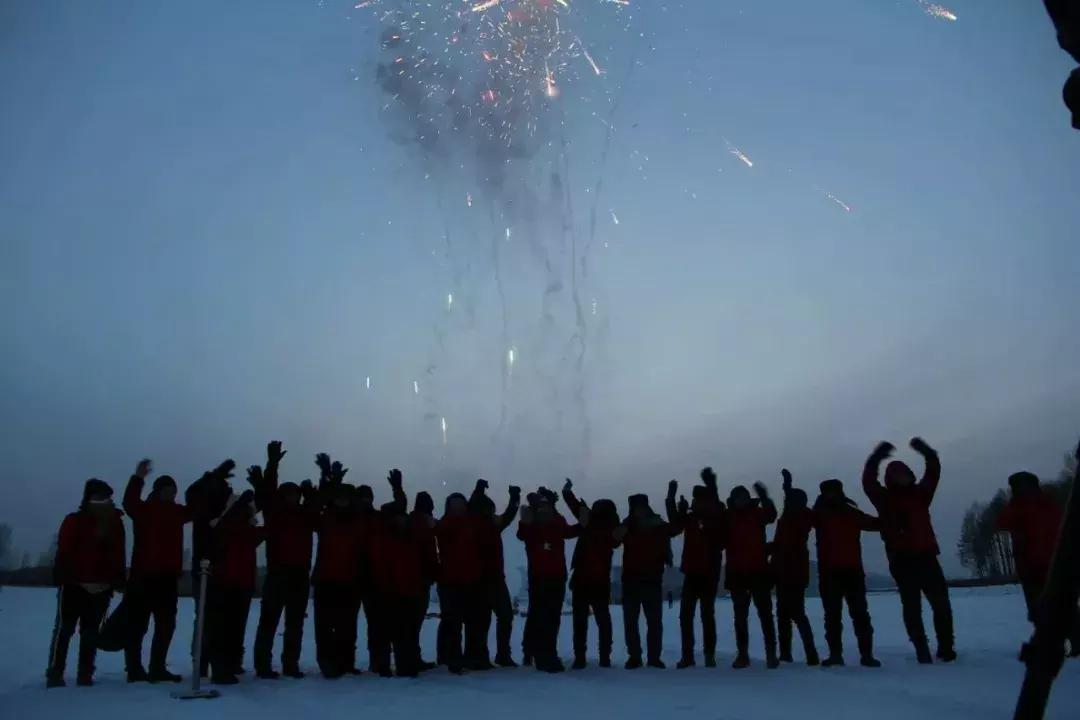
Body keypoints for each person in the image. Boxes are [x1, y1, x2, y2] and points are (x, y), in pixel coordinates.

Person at [863, 438, 955, 663]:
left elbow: (933, 472)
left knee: (941, 605)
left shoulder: (921, 495)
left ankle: (946, 647)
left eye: (904, 474)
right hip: (902, 560)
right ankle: (921, 648)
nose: (901, 478)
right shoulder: (884, 499)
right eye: (896, 475)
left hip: (927, 556)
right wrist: (876, 458)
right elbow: (868, 482)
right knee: (912, 607)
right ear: (890, 479)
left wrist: (927, 452)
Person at [46, 479, 126, 688]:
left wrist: (117, 578)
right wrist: (65, 577)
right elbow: (64, 550)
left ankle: (85, 674)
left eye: (106, 497)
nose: (104, 501)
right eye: (99, 497)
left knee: (90, 633)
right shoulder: (74, 520)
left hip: (102, 587)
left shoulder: (115, 522)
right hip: (74, 585)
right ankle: (55, 673)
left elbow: (119, 553)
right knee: (65, 630)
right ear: (89, 498)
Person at [250, 441, 319, 679]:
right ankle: (263, 665)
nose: (293, 497)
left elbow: (318, 506)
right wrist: (273, 464)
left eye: (296, 494)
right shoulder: (275, 513)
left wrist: (321, 483)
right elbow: (268, 490)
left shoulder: (305, 515)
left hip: (299, 575)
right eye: (289, 493)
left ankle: (290, 664)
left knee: (294, 625)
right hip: (278, 573)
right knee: (269, 623)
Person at [122, 458, 191, 683]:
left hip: (167, 579)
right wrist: (138, 478)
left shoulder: (178, 512)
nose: (170, 494)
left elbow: (201, 510)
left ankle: (157, 667)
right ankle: (134, 669)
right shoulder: (143, 510)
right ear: (157, 491)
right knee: (137, 625)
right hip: (143, 577)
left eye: (173, 491)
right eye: (166, 490)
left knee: (165, 626)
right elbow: (129, 502)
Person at [996, 470, 1078, 654]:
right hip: (1051, 565)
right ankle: (1069, 641)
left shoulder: (1022, 506)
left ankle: (1052, 645)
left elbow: (1002, 522)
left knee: (1042, 609)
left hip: (1035, 566)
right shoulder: (1049, 503)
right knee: (1062, 606)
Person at [813, 479, 881, 667]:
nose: (831, 495)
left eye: (834, 491)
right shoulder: (818, 515)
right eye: (828, 492)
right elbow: (799, 520)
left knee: (860, 615)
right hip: (829, 573)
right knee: (832, 617)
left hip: (852, 572)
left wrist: (893, 518)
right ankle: (836, 655)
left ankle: (866, 655)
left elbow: (875, 523)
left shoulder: (851, 514)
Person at [666, 469, 726, 669]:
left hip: (709, 573)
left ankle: (709, 655)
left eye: (700, 499)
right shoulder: (690, 518)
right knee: (687, 616)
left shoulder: (715, 516)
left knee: (706, 615)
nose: (696, 502)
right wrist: (671, 499)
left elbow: (717, 507)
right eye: (695, 499)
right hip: (691, 573)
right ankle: (688, 655)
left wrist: (712, 485)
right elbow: (674, 527)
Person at [517, 487, 582, 673]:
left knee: (547, 616)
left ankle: (534, 651)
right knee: (543, 616)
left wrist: (584, 523)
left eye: (548, 506)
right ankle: (545, 656)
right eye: (542, 507)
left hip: (556, 577)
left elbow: (570, 532)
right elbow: (522, 534)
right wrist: (526, 519)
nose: (545, 510)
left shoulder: (557, 522)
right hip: (539, 577)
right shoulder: (533, 525)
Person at [184, 459, 237, 676]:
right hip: (204, 567)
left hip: (226, 570)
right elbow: (193, 493)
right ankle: (201, 660)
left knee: (222, 619)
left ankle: (219, 661)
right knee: (204, 615)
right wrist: (212, 476)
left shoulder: (230, 513)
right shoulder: (203, 511)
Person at [205, 490, 264, 684]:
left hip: (242, 585)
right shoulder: (227, 527)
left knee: (235, 629)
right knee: (223, 629)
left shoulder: (249, 532)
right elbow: (228, 521)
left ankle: (230, 665)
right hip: (225, 584)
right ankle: (221, 668)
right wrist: (241, 504)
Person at [619, 488, 681, 669]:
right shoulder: (628, 526)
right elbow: (614, 538)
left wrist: (671, 500)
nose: (640, 510)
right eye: (637, 507)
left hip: (652, 580)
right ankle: (635, 657)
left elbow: (676, 529)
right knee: (631, 622)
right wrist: (626, 525)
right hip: (631, 581)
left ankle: (654, 657)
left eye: (642, 507)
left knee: (654, 622)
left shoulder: (658, 525)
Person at [311, 468, 364, 679]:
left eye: (346, 498)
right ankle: (327, 663)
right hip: (326, 580)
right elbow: (314, 508)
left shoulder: (358, 521)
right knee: (324, 626)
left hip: (350, 580)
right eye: (339, 498)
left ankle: (346, 662)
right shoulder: (325, 518)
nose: (343, 502)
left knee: (347, 627)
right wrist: (327, 480)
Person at [563, 481, 620, 669]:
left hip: (584, 580)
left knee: (582, 622)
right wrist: (568, 492)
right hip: (596, 581)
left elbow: (575, 506)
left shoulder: (591, 522)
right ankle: (603, 658)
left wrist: (567, 491)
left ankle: (582, 657)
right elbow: (575, 506)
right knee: (602, 621)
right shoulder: (611, 526)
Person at [725, 482, 779, 669]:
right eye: (738, 498)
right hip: (737, 573)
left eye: (745, 497)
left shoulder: (757, 514)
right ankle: (742, 654)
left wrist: (765, 498)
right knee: (740, 617)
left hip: (758, 572)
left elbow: (772, 516)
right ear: (733, 500)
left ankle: (771, 654)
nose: (742, 501)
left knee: (765, 615)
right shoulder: (727, 517)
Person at [468, 479, 522, 668]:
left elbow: (509, 514)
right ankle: (487, 656)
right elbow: (508, 514)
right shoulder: (474, 525)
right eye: (490, 510)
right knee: (488, 619)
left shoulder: (492, 525)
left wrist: (515, 498)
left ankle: (497, 655)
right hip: (481, 580)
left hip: (493, 579)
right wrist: (479, 490)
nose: (493, 513)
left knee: (499, 617)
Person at [370, 499, 426, 677]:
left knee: (405, 632)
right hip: (386, 592)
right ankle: (383, 666)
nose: (401, 521)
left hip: (407, 592)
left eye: (403, 518)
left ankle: (405, 665)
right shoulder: (383, 538)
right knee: (385, 632)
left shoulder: (411, 539)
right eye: (397, 518)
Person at [770, 469, 819, 666]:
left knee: (796, 613)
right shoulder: (788, 517)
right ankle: (786, 653)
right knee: (783, 614)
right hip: (782, 571)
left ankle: (810, 654)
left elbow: (786, 543)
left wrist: (788, 485)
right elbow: (780, 542)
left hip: (794, 572)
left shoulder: (803, 516)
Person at [436, 491, 484, 674]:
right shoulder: (444, 524)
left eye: (461, 504)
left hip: (471, 581)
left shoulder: (472, 524)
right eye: (454, 504)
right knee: (452, 623)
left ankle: (470, 657)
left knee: (472, 621)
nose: (458, 507)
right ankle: (452, 658)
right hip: (450, 582)